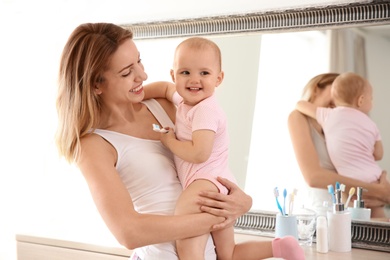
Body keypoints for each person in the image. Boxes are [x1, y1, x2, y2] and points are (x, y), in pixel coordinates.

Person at [55, 23, 302, 260]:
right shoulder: (93, 145)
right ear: (97, 84)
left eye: (139, 61)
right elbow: (129, 232)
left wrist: (243, 202)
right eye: (127, 72)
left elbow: (206, 167)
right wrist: (214, 218)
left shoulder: (166, 107)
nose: (143, 74)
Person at [144, 37, 304, 260]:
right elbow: (163, 88)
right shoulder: (184, 100)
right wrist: (140, 94)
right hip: (220, 184)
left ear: (219, 78)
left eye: (204, 73)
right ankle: (280, 247)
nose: (194, 80)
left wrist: (168, 141)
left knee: (188, 250)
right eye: (185, 72)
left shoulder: (204, 111)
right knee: (228, 253)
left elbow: (200, 154)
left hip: (203, 185)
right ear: (174, 75)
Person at [288, 72, 390, 218]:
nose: (339, 97)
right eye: (335, 89)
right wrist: (377, 191)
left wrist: (383, 192)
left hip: (362, 212)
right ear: (317, 88)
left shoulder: (342, 123)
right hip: (326, 217)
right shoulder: (299, 118)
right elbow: (314, 177)